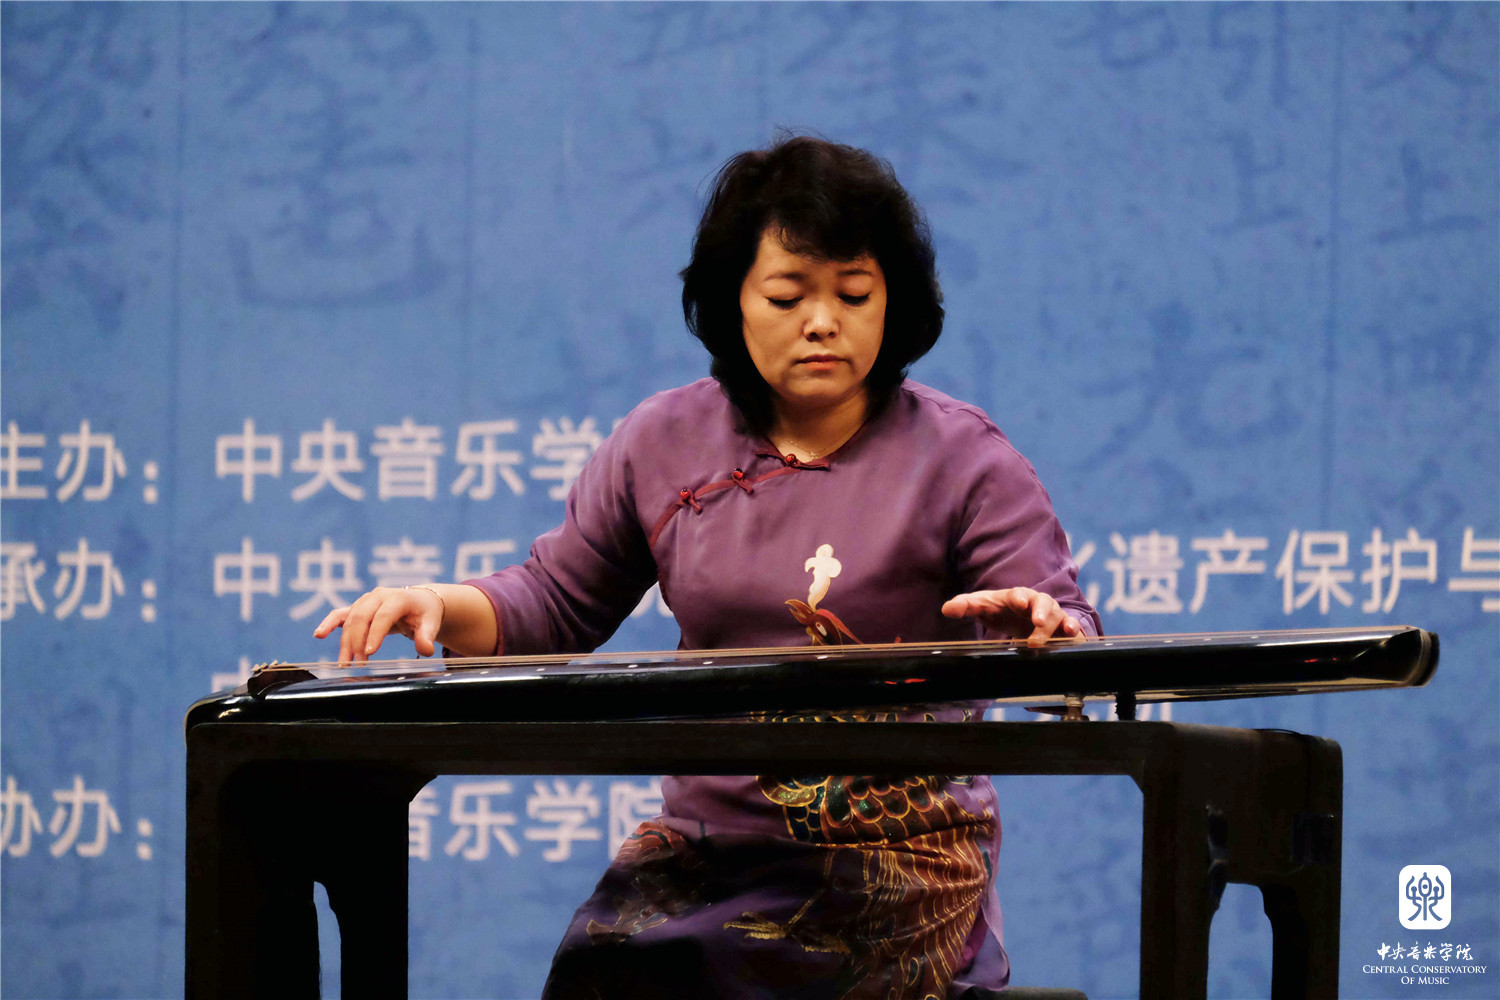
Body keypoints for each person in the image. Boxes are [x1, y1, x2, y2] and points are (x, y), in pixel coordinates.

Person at [316, 134, 1100, 1000]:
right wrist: (437, 602)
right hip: (708, 849)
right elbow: (554, 601)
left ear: (894, 303)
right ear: (734, 301)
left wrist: (1046, 633)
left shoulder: (965, 459)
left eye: (854, 294)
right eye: (787, 295)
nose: (823, 321)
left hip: (896, 855)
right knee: (603, 977)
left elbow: (1061, 622)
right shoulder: (663, 441)